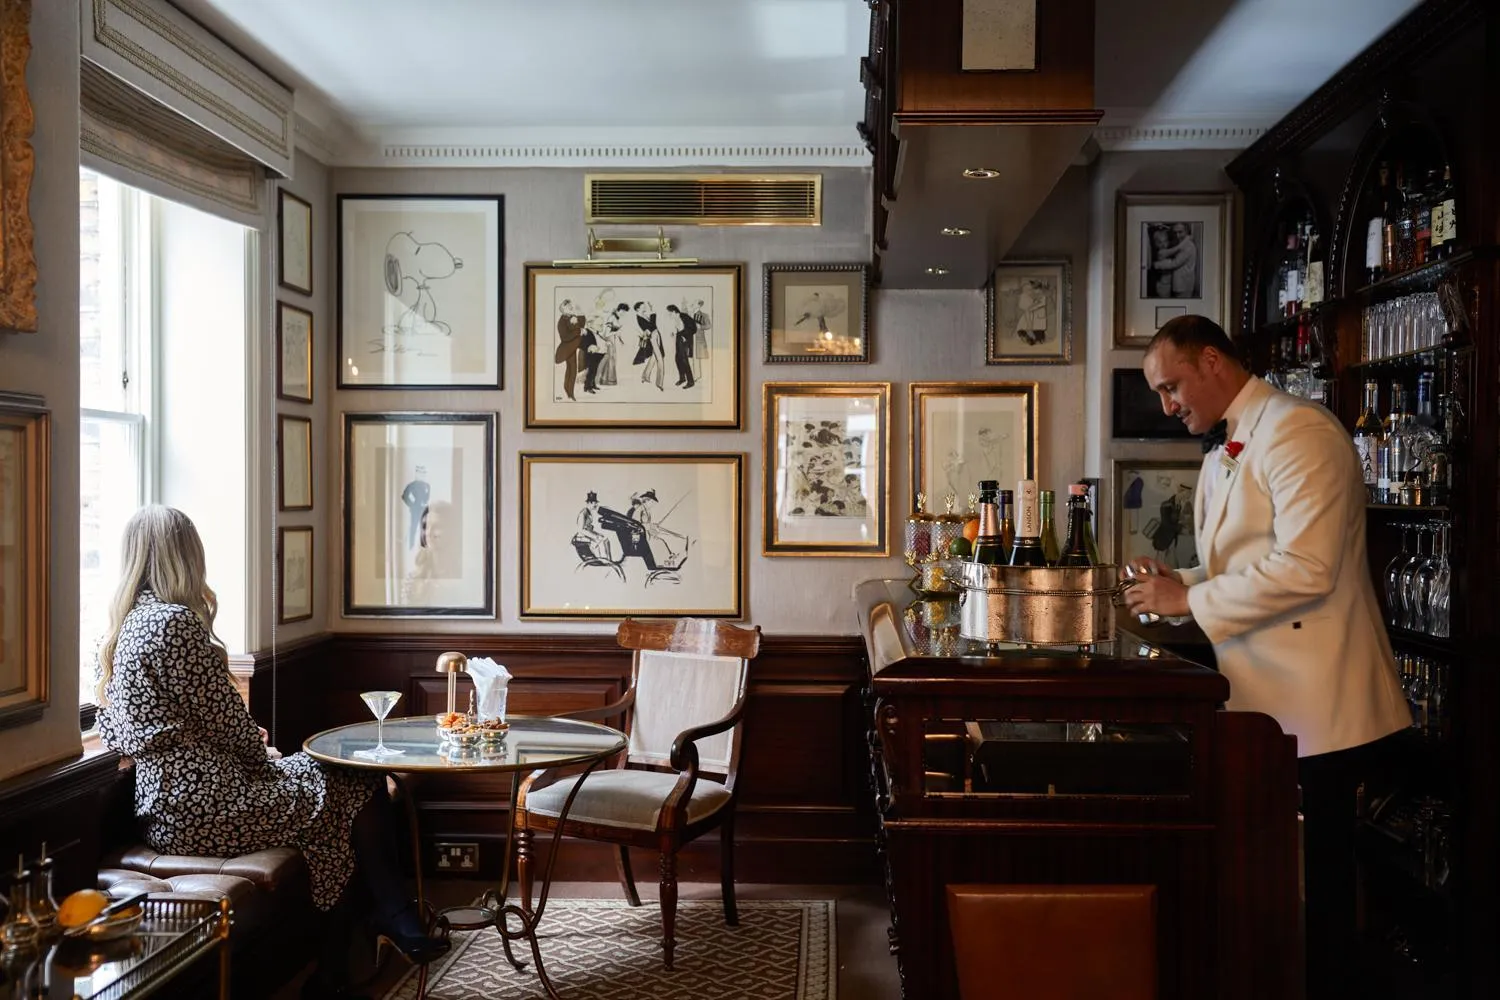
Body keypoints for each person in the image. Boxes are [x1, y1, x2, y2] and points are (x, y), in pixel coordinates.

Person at [1120, 315, 1408, 1000]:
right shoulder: (1230, 446)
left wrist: (1186, 601)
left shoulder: (1299, 432)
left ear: (1213, 360)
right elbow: (1241, 562)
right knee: (1282, 891)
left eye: (1171, 387)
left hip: (1322, 709)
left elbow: (1307, 570)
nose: (1167, 405)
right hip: (1266, 704)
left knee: (1322, 897)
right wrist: (1174, 583)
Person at [96, 506, 448, 997]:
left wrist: (234, 749)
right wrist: (264, 757)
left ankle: (346, 961)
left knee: (337, 802)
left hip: (167, 805)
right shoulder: (174, 623)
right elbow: (229, 723)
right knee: (356, 780)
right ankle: (389, 916)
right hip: (209, 806)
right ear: (185, 555)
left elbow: (119, 728)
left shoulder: (125, 627)